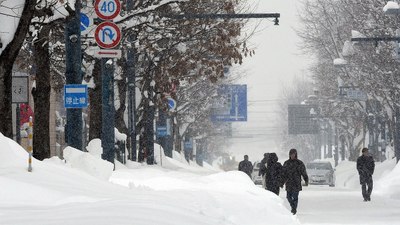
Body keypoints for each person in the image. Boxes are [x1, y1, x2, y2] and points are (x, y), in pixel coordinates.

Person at [282, 148, 308, 215]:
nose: (292, 155)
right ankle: (293, 206)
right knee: (288, 196)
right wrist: (282, 181)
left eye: (294, 154)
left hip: (296, 182)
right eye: (291, 154)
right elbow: (283, 173)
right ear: (289, 155)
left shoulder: (299, 163)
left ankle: (294, 209)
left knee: (295, 197)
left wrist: (306, 179)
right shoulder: (286, 163)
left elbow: (303, 172)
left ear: (296, 154)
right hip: (289, 182)